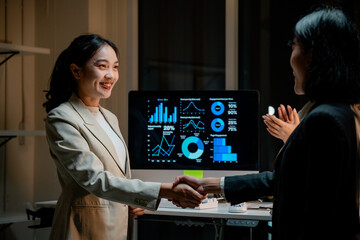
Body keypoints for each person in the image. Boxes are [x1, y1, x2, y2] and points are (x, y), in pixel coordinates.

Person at [176, 6, 360, 239]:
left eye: (294, 45)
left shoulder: (323, 120)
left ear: (312, 54)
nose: (290, 57)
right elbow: (283, 180)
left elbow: (317, 213)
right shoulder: (343, 113)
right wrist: (209, 184)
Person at [43, 34, 204, 240]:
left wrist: (135, 201)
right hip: (83, 228)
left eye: (115, 67)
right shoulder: (61, 117)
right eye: (102, 66)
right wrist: (166, 191)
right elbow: (95, 179)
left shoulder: (109, 117)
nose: (111, 75)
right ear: (76, 70)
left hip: (118, 225)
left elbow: (118, 177)